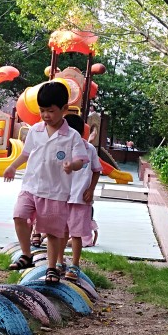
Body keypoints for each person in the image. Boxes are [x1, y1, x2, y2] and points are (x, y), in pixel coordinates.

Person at [3, 81, 84, 284]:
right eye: (42, 110)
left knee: (52, 232)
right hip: (31, 186)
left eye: (51, 111)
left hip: (55, 192)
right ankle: (26, 254)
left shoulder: (72, 136)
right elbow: (26, 154)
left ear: (64, 109)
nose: (46, 115)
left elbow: (81, 160)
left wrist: (72, 165)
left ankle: (52, 267)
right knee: (19, 215)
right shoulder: (35, 131)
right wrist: (12, 166)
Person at [58, 113, 102, 279]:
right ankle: (59, 262)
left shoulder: (89, 149)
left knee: (76, 234)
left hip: (80, 199)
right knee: (61, 233)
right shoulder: (60, 148)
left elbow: (96, 171)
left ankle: (75, 265)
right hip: (62, 197)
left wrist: (91, 189)